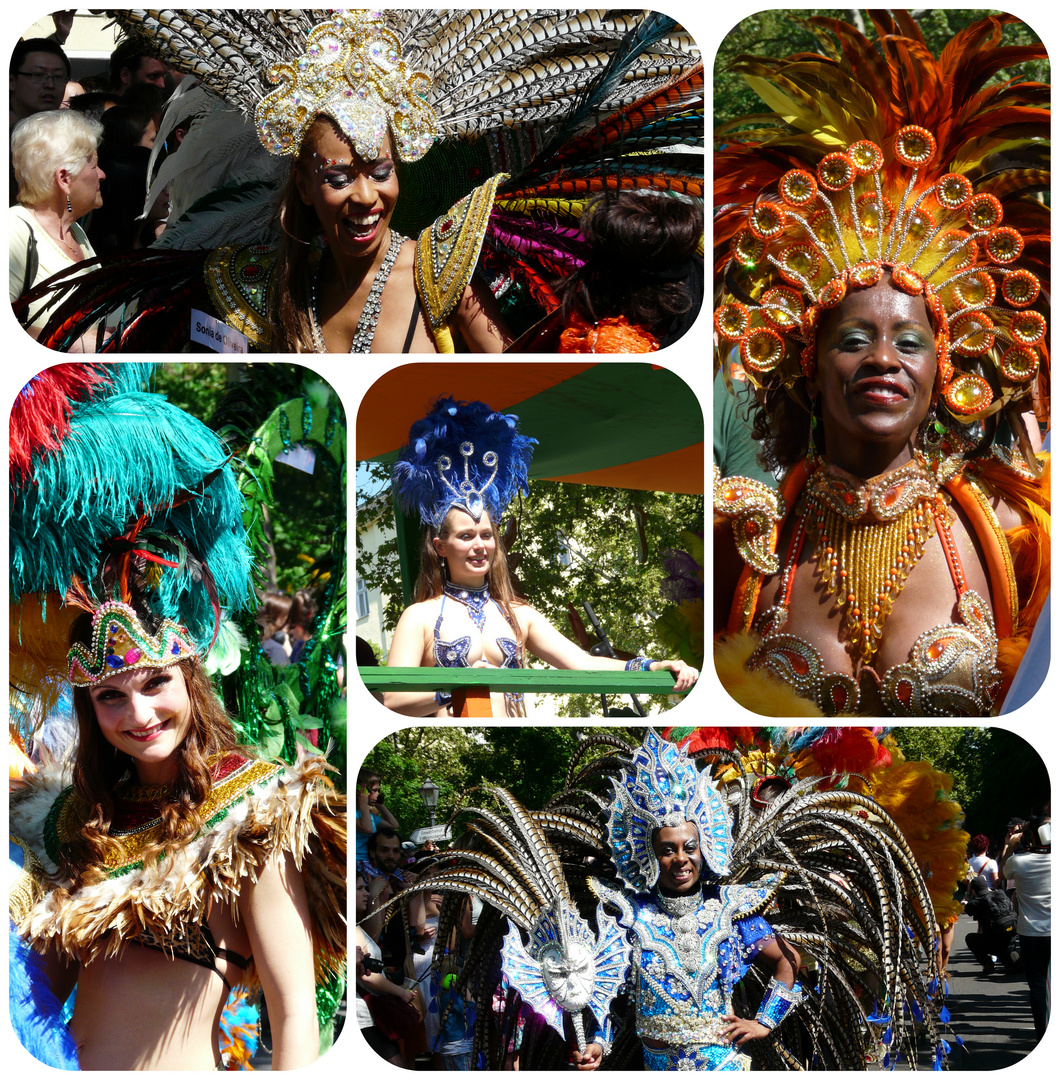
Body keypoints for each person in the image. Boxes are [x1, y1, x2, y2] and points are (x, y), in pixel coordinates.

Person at [713, 13, 1049, 717]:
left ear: (944, 372)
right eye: (853, 338)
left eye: (910, 342)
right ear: (807, 364)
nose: (882, 360)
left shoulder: (1020, 534)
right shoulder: (740, 544)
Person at [24, 10, 701, 353]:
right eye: (340, 178)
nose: (365, 199)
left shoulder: (448, 270)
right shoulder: (242, 288)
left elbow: (513, 402)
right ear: (302, 181)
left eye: (380, 173)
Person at [10, 599, 346, 1069]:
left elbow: (293, 1013)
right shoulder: (78, 821)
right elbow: (29, 996)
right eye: (110, 696)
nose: (139, 714)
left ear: (189, 678)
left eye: (155, 682)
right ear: (89, 706)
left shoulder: (253, 810)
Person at [385, 397, 699, 716]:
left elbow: (584, 664)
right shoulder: (420, 617)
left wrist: (652, 666)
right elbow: (393, 701)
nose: (479, 545)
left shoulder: (520, 614)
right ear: (441, 546)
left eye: (486, 535)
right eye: (465, 536)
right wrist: (459, 687)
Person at [9, 109, 105, 346]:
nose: (102, 175)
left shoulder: (76, 232)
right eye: (94, 166)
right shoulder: (13, 230)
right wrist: (72, 345)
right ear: (64, 179)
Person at [356, 871, 418, 1067]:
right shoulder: (349, 928)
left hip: (369, 1017)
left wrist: (378, 896)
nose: (365, 893)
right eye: (359, 889)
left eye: (366, 888)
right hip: (363, 1019)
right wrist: (401, 993)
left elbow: (374, 935)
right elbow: (368, 977)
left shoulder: (354, 926)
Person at [1001, 814, 1051, 1042]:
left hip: (1031, 933)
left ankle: (1042, 1034)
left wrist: (1009, 846)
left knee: (1037, 986)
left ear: (1032, 836)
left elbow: (1002, 874)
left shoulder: (1019, 861)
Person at [963, 875, 1019, 974]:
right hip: (1010, 938)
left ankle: (987, 962)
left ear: (974, 891)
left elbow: (961, 909)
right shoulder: (1001, 894)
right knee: (1011, 964)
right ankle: (1012, 957)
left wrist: (967, 893)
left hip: (992, 943)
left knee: (970, 938)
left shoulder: (976, 904)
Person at [9, 38, 70, 126]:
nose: (50, 85)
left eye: (58, 77)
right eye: (38, 75)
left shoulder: (73, 134)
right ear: (11, 82)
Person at [356, 768, 400, 864]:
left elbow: (394, 824)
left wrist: (380, 805)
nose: (377, 794)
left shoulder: (370, 816)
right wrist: (363, 803)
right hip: (358, 861)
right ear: (361, 791)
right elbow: (368, 829)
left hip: (370, 861)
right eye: (374, 791)